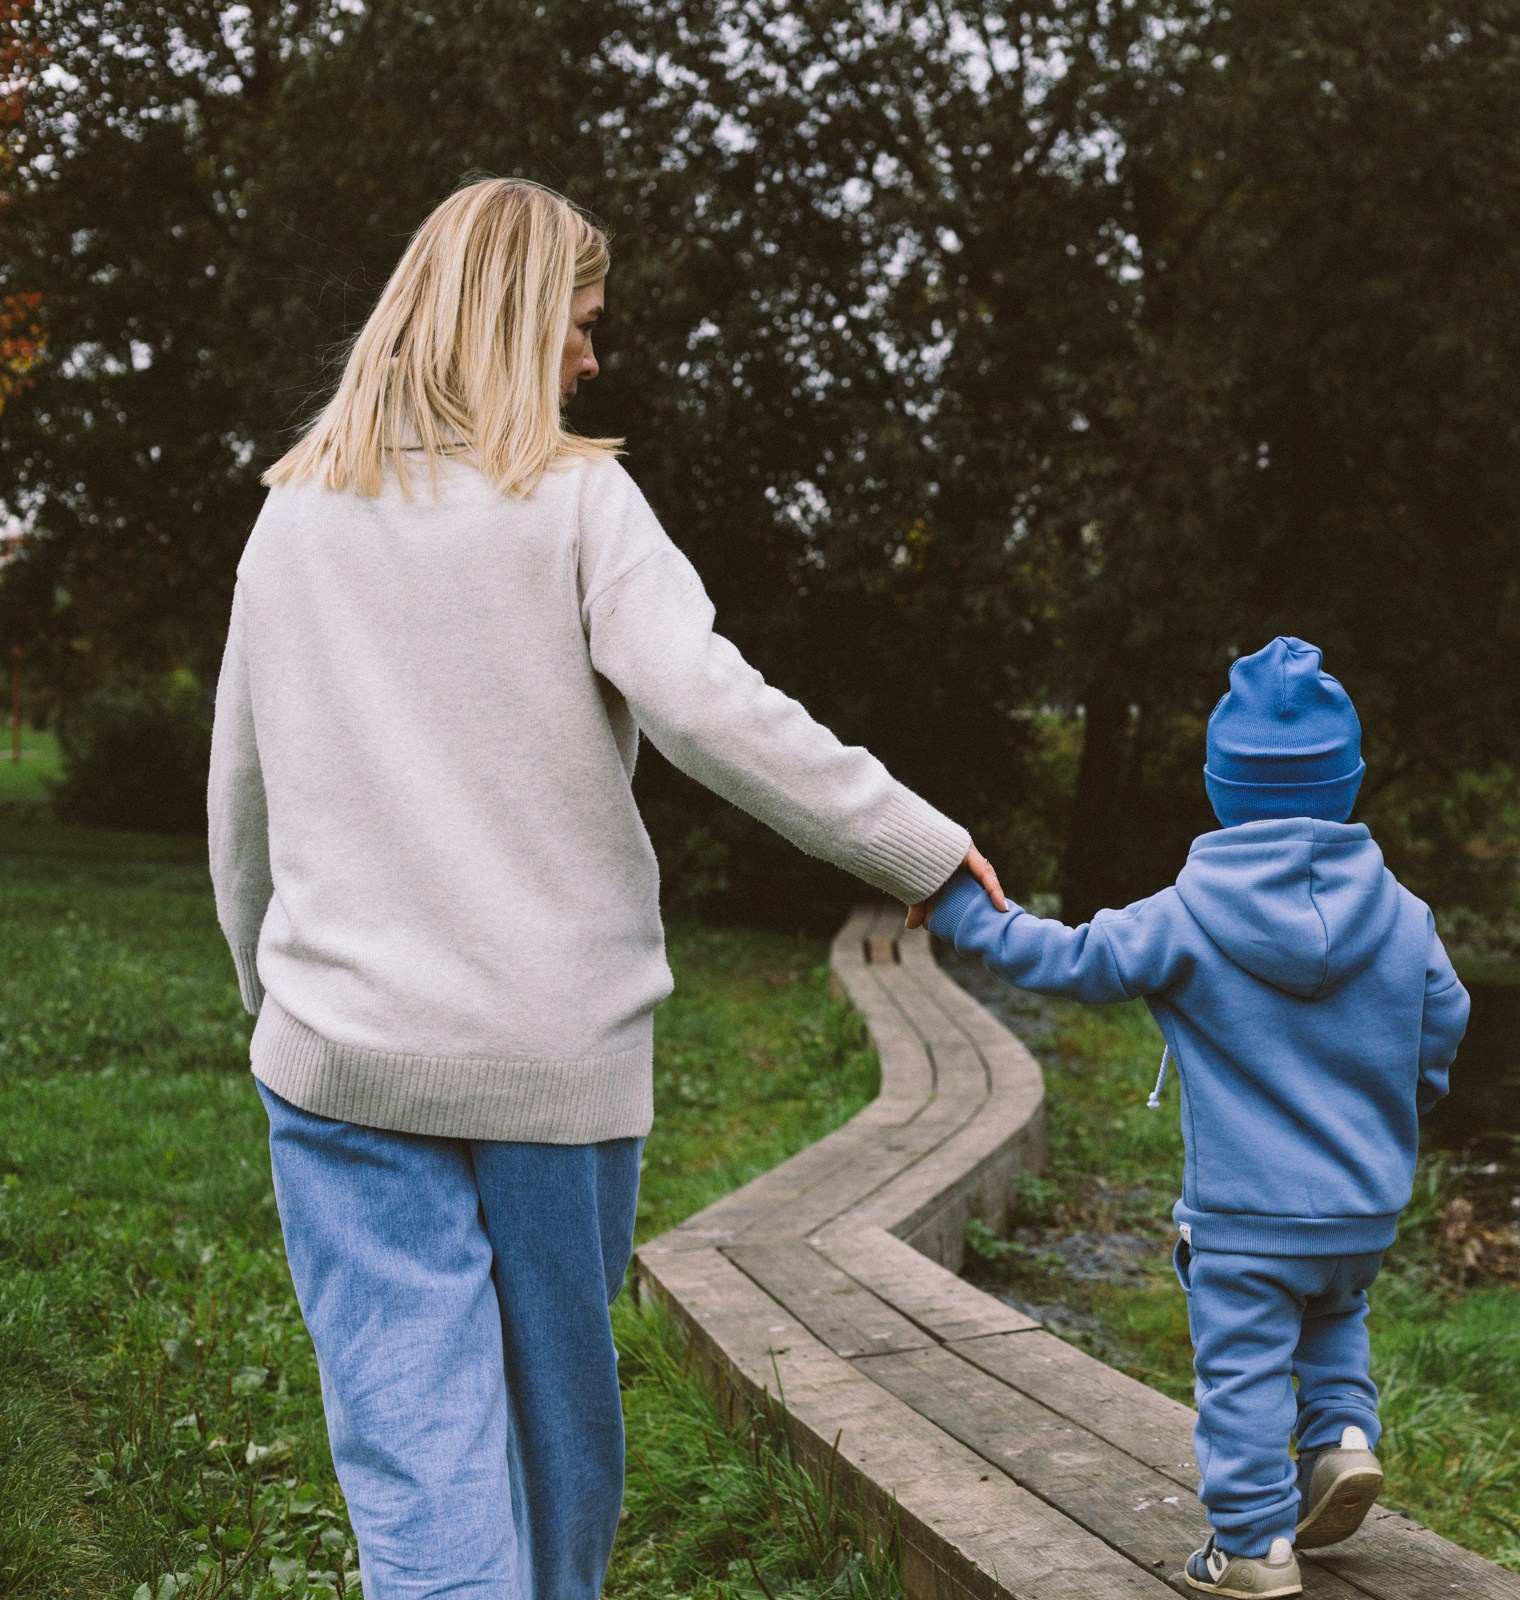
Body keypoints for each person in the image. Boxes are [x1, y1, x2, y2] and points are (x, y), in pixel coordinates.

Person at [206, 176, 1005, 1600]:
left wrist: (272, 992)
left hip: (340, 1062)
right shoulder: (580, 504)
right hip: (551, 1065)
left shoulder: (294, 516)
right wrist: (918, 849)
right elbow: (712, 708)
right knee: (559, 1444)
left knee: (412, 1456)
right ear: (512, 324)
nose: (593, 357)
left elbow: (241, 796)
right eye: (581, 325)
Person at [928, 636, 1470, 1598]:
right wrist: (1407, 1094)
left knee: (1243, 1372)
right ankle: (1342, 1438)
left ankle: (1253, 1547)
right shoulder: (1404, 912)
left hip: (1246, 1214)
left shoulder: (1186, 914)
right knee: (1336, 1311)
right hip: (1361, 1204)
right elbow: (1448, 1013)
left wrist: (968, 916)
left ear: (1223, 790)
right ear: (1346, 783)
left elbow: (1071, 959)